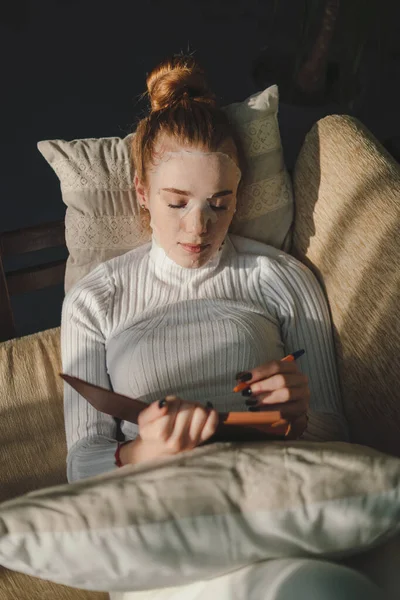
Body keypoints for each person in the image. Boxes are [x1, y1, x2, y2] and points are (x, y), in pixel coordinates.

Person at [61, 52, 350, 484]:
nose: (198, 227)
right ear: (142, 192)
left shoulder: (283, 279)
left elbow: (339, 444)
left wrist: (301, 419)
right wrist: (142, 449)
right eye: (176, 203)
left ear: (238, 194)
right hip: (155, 504)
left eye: (220, 203)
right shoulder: (93, 300)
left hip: (267, 491)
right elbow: (82, 467)